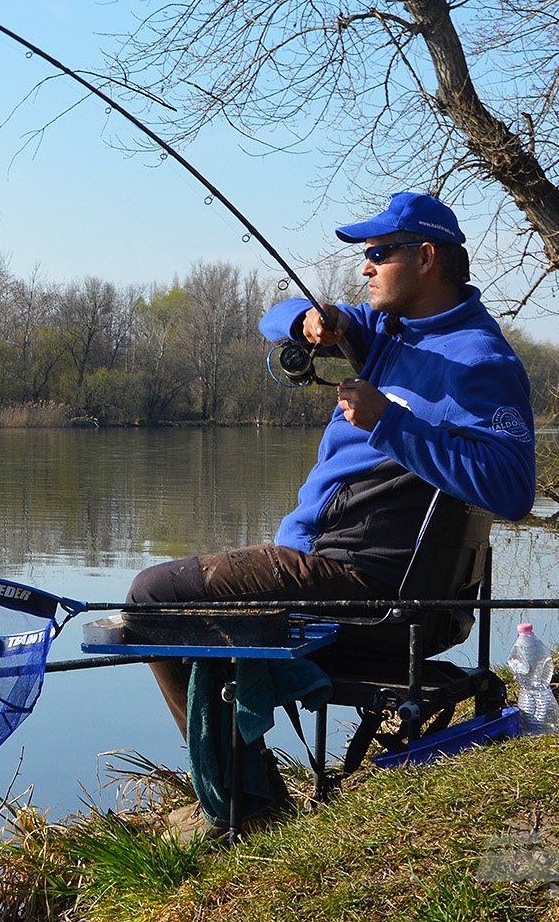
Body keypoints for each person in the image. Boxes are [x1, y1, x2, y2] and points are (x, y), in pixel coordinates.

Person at [128, 191, 537, 828]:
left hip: (367, 591)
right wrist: (309, 323)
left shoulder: (479, 362)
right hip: (319, 563)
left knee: (154, 598)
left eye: (378, 254)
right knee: (171, 612)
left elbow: (512, 487)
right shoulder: (384, 331)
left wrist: (390, 424)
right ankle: (251, 793)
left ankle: (249, 812)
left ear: (425, 257)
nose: (365, 267)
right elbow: (276, 316)